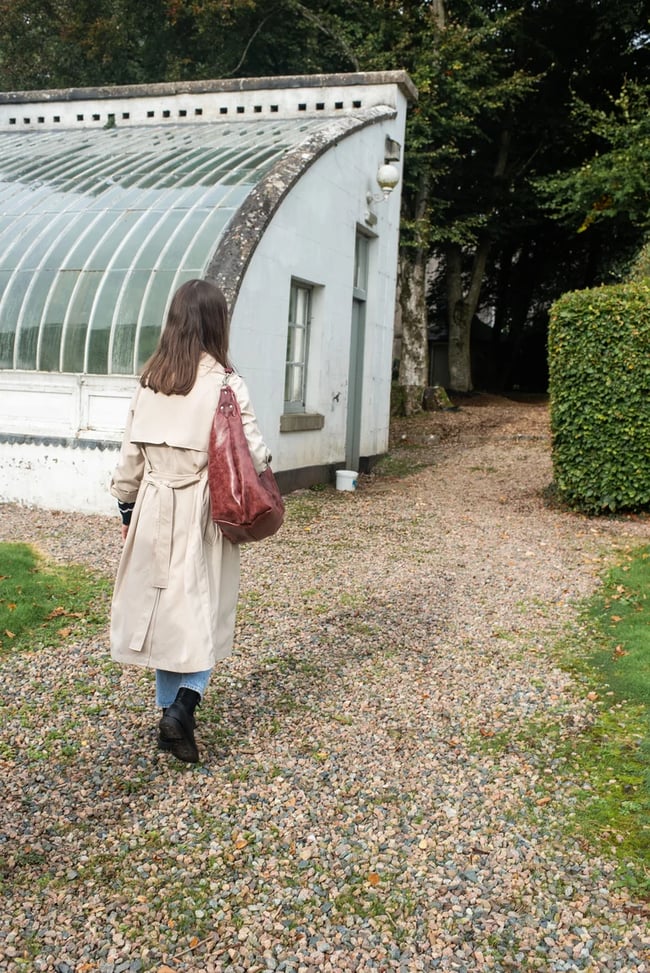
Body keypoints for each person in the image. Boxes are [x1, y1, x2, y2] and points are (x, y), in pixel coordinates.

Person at [109, 278, 271, 763]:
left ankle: (169, 717)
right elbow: (254, 454)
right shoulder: (225, 384)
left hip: (153, 503)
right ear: (217, 323)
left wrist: (127, 509)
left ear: (174, 320)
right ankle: (183, 706)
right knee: (204, 610)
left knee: (165, 614)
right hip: (203, 509)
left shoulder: (150, 381)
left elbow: (129, 459)